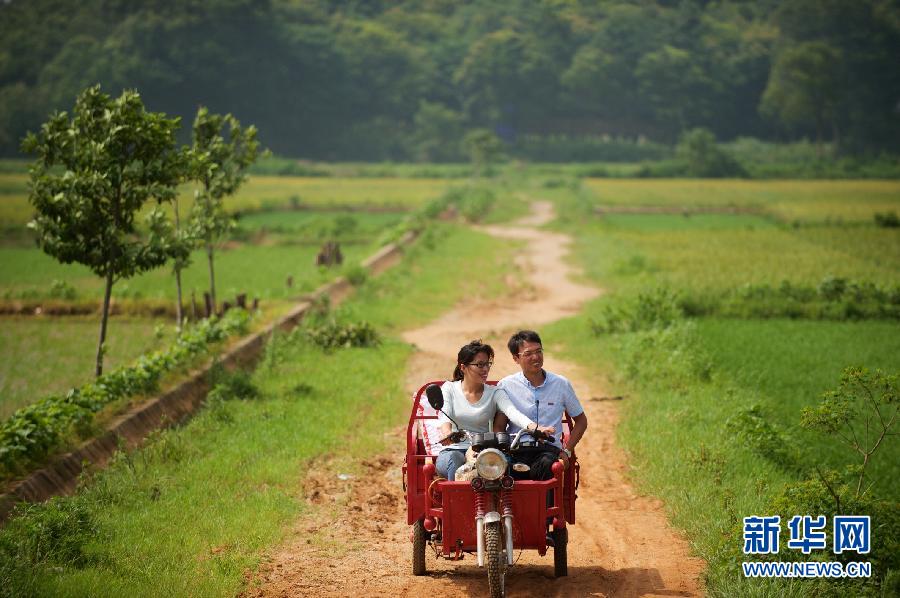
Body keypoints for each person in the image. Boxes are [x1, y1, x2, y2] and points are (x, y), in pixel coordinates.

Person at [434, 339, 554, 481]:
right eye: (480, 365)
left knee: (505, 464)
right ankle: (455, 502)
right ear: (463, 367)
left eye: (487, 364)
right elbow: (445, 415)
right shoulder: (449, 388)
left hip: (482, 450)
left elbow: (512, 412)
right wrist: (448, 433)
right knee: (454, 461)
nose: (485, 369)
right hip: (454, 449)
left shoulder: (495, 392)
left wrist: (535, 428)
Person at [497, 330, 588, 481]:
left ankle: (544, 505)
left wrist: (567, 451)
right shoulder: (506, 385)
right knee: (498, 471)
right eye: (528, 354)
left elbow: (581, 421)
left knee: (545, 465)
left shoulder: (560, 384)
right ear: (515, 358)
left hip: (549, 449)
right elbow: (499, 426)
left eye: (539, 351)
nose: (536, 357)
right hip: (516, 448)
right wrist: (502, 451)